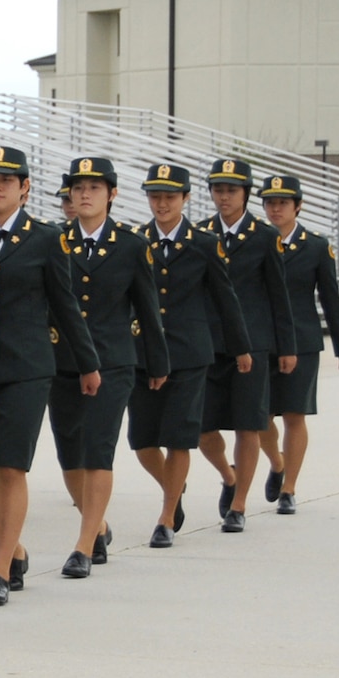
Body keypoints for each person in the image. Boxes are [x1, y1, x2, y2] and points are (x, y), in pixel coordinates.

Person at [0, 146, 98, 604]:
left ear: (25, 187)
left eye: (7, 179)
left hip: (27, 366)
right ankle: (14, 548)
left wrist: (87, 362)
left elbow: (65, 306)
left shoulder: (46, 239)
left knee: (11, 464)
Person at [47, 158, 169, 578]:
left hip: (113, 360)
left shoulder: (131, 245)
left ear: (112, 195)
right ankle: (96, 525)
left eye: (94, 188)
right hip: (62, 359)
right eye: (77, 188)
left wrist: (157, 360)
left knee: (97, 448)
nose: (83, 195)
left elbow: (147, 307)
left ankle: (82, 547)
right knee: (69, 455)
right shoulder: (56, 239)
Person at [129, 163, 250, 548]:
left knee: (180, 437)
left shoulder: (203, 243)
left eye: (169, 196)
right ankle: (174, 489)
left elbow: (226, 300)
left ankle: (166, 518)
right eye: (155, 196)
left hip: (188, 353)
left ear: (186, 198)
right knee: (142, 441)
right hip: (142, 353)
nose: (161, 203)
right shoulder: (134, 241)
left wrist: (241, 347)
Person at [194, 158, 296, 533]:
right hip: (210, 343)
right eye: (218, 189)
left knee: (247, 426)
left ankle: (238, 507)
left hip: (253, 346)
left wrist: (287, 347)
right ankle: (228, 475)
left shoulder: (265, 237)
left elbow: (278, 295)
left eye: (231, 190)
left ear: (246, 194)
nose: (223, 197)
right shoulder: (200, 233)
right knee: (203, 430)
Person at [254, 173, 339, 515]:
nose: (275, 209)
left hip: (302, 340)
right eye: (269, 202)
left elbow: (330, 298)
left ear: (298, 206)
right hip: (262, 339)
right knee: (260, 415)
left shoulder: (315, 246)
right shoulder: (255, 241)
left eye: (282, 203)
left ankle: (289, 488)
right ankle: (277, 462)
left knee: (295, 414)